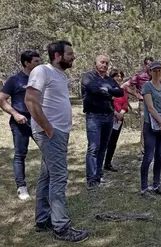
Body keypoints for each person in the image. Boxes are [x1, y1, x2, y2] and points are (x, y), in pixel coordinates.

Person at [25, 40, 89, 242]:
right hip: (50, 134)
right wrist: (48, 128)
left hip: (57, 133)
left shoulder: (59, 75)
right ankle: (61, 227)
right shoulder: (42, 71)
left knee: (47, 176)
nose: (73, 56)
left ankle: (43, 219)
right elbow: (30, 100)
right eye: (70, 53)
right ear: (58, 55)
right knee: (59, 176)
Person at [0, 50, 41, 200]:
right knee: (20, 154)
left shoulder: (41, 79)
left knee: (48, 150)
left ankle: (49, 181)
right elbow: (2, 99)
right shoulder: (15, 80)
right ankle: (21, 187)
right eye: (36, 61)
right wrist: (16, 114)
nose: (39, 63)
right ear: (26, 63)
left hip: (39, 120)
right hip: (21, 122)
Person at [81, 55, 124, 190]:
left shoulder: (109, 79)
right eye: (102, 62)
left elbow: (120, 92)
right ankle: (91, 179)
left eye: (106, 63)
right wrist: (107, 92)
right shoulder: (88, 76)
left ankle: (98, 175)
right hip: (94, 116)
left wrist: (107, 90)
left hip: (108, 116)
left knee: (103, 147)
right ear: (95, 64)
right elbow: (93, 89)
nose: (104, 65)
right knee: (93, 147)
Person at [122, 57, 161, 161]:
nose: (152, 68)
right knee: (145, 127)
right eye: (149, 65)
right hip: (145, 105)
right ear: (145, 66)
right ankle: (145, 152)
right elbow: (125, 85)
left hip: (159, 104)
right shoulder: (140, 76)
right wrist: (136, 94)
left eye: (154, 66)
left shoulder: (158, 76)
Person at [140, 61, 161, 199]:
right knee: (148, 156)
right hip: (151, 125)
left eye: (159, 70)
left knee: (159, 156)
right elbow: (150, 107)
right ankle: (144, 188)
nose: (157, 72)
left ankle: (157, 185)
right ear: (150, 72)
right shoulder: (147, 86)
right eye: (155, 70)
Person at [103, 69, 128, 172]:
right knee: (104, 141)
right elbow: (106, 103)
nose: (118, 78)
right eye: (116, 76)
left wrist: (121, 113)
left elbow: (125, 104)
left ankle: (108, 163)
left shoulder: (123, 90)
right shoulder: (107, 89)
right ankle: (98, 163)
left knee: (113, 142)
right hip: (108, 117)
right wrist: (115, 113)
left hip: (118, 120)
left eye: (120, 76)